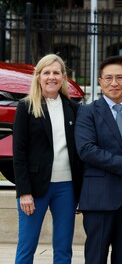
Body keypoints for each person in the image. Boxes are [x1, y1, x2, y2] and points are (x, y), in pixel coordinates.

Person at [75, 56, 122, 263]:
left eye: (120, 77)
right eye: (108, 78)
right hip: (99, 199)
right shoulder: (87, 112)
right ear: (100, 81)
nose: (114, 83)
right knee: (95, 257)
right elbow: (86, 149)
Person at [13, 54, 82, 263]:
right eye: (47, 72)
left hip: (66, 188)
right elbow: (19, 153)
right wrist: (24, 192)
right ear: (38, 76)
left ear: (63, 77)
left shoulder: (74, 109)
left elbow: (80, 153)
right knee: (27, 246)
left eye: (56, 72)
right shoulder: (25, 107)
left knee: (63, 248)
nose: (51, 77)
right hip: (34, 189)